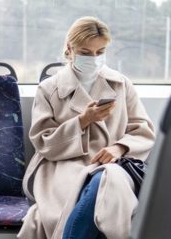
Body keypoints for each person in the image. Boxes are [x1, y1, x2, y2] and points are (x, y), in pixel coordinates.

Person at [18, 16, 156, 239]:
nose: (93, 58)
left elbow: (142, 130)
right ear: (69, 49)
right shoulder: (49, 89)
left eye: (100, 52)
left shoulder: (121, 84)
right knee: (103, 196)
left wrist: (119, 148)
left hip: (113, 163)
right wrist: (83, 120)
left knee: (107, 178)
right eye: (85, 52)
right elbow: (43, 141)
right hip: (64, 166)